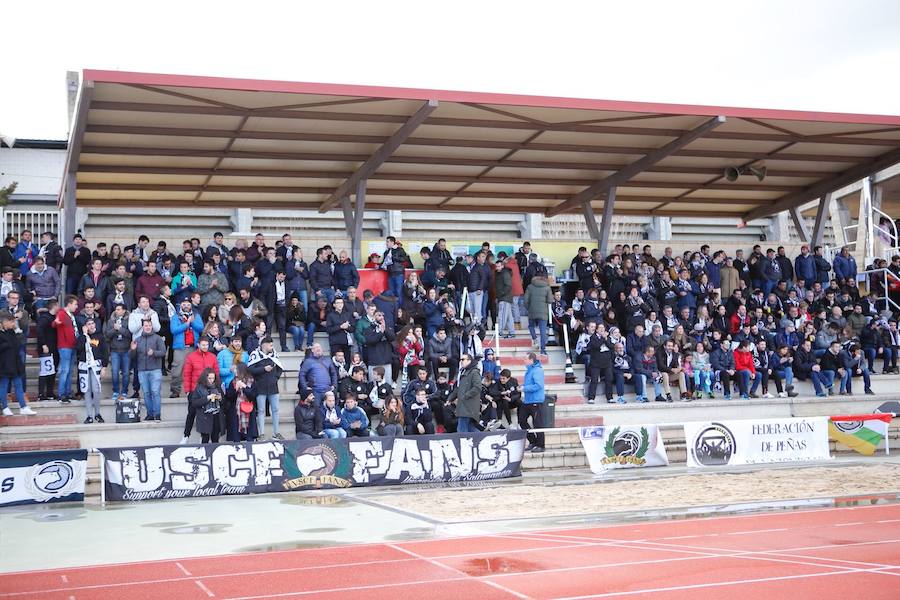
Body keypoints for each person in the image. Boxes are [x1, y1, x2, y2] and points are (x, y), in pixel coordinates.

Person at [180, 338, 220, 443]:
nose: (205, 347)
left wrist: (216, 388)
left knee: (208, 415)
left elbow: (216, 374)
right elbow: (187, 374)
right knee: (191, 413)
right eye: (203, 345)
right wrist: (187, 390)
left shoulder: (212, 357)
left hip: (210, 390)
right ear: (198, 345)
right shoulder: (191, 357)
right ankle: (186, 436)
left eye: (207, 345)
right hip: (195, 390)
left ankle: (203, 436)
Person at [247, 337, 284, 441]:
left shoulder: (274, 354)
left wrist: (275, 378)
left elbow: (279, 368)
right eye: (270, 345)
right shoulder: (255, 354)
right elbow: (250, 369)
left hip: (273, 387)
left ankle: (276, 433)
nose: (272, 347)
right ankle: (261, 433)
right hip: (260, 387)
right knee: (261, 410)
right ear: (264, 345)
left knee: (275, 410)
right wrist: (263, 369)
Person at [0, 311, 36, 416]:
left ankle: (23, 406)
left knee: (19, 385)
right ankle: (5, 407)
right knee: (4, 386)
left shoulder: (11, 331)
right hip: (4, 363)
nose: (13, 324)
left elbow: (20, 343)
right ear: (5, 322)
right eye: (11, 322)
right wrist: (8, 344)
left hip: (15, 362)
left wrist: (17, 330)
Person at [76, 319, 108, 424]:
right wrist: (84, 335)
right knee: (87, 390)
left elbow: (104, 352)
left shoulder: (99, 336)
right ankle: (89, 415)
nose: (91, 326)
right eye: (88, 324)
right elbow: (79, 348)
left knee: (96, 389)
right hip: (84, 366)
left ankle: (97, 413)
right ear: (85, 326)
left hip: (95, 366)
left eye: (92, 324)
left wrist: (104, 366)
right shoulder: (81, 337)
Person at [133, 319, 165, 421]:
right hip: (142, 370)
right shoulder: (137, 340)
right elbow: (132, 356)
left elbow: (163, 352)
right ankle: (150, 414)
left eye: (149, 325)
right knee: (146, 393)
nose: (148, 327)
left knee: (155, 392)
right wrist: (132, 349)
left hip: (155, 369)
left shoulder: (157, 338)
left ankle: (157, 414)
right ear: (143, 327)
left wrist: (154, 353)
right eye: (146, 325)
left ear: (152, 326)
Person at [190, 368, 225, 443]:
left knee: (215, 438)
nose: (211, 380)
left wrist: (220, 398)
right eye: (209, 378)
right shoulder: (199, 388)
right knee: (205, 439)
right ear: (205, 378)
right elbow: (194, 403)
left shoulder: (217, 386)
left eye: (213, 378)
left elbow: (224, 402)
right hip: (204, 417)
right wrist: (207, 398)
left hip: (216, 416)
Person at [448, 353, 481, 433]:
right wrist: (450, 398)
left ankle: (464, 444)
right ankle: (484, 440)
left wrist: (465, 396)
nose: (461, 361)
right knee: (469, 428)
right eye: (460, 360)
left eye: (463, 359)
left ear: (469, 361)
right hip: (464, 406)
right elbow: (459, 388)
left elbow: (477, 387)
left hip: (468, 407)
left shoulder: (474, 372)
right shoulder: (464, 372)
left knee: (461, 430)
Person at [520, 352, 545, 452]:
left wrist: (524, 388)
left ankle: (541, 445)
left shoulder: (537, 370)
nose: (524, 361)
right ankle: (533, 441)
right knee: (522, 421)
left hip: (536, 401)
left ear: (531, 360)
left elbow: (538, 385)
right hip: (528, 401)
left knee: (537, 423)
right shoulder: (529, 371)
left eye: (525, 359)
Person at [523, 274, 553, 355]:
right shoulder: (547, 287)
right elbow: (550, 300)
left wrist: (529, 308)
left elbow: (525, 300)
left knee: (531, 326)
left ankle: (535, 339)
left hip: (532, 311)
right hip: (543, 312)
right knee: (543, 331)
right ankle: (543, 350)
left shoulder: (530, 286)